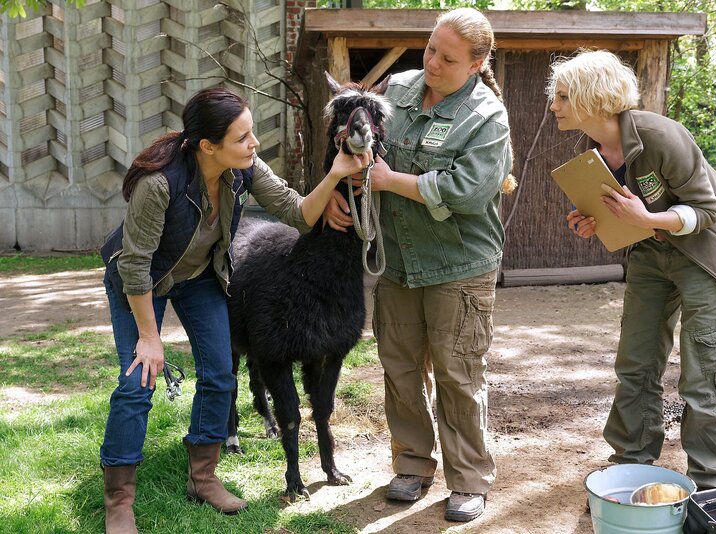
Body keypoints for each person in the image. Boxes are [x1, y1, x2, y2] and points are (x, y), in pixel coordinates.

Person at [99, 87, 369, 534]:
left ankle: (203, 477)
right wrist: (149, 337)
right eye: (243, 137)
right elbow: (135, 265)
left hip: (198, 276)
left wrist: (336, 175)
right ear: (208, 146)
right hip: (141, 280)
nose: (254, 143)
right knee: (137, 382)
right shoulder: (158, 184)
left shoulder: (245, 167)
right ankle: (119, 500)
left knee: (221, 373)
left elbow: (296, 212)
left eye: (252, 132)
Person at [325, 7, 512, 523]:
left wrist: (393, 182)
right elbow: (354, 144)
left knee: (458, 375)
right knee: (400, 369)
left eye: (447, 59)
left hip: (459, 265)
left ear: (475, 65)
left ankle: (468, 479)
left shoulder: (486, 117)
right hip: (399, 262)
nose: (432, 63)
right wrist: (342, 189)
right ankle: (411, 464)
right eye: (430, 49)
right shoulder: (398, 90)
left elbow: (468, 191)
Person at [547, 50, 716, 490]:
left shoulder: (661, 135)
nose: (554, 106)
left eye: (563, 97)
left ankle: (713, 482)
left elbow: (706, 210)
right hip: (649, 255)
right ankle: (631, 465)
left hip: (705, 256)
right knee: (636, 363)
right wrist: (593, 222)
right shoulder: (592, 150)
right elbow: (627, 215)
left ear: (593, 98)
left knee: (702, 372)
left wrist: (646, 219)